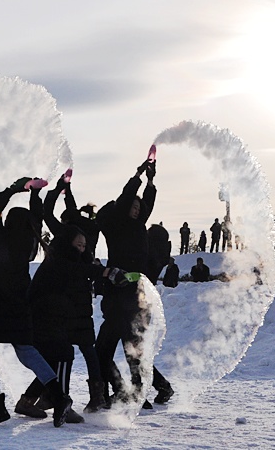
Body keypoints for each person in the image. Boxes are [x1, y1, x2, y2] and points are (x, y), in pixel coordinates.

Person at [0, 177, 73, 427]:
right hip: (17, 305)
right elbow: (36, 217)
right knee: (27, 352)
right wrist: (35, 195)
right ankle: (59, 398)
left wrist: (15, 188)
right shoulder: (29, 242)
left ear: (8, 221)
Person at [18, 226, 120, 422]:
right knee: (63, 355)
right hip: (41, 317)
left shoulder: (71, 259)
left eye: (84, 245)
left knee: (53, 361)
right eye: (78, 245)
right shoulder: (59, 261)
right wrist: (107, 271)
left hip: (52, 317)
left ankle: (29, 401)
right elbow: (76, 271)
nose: (82, 249)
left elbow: (81, 273)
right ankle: (60, 403)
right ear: (68, 244)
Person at [94, 159, 174, 408]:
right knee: (131, 348)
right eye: (135, 206)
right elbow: (126, 197)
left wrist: (150, 180)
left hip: (131, 297)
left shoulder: (138, 226)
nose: (139, 209)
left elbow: (146, 201)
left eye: (140, 207)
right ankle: (143, 391)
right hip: (122, 295)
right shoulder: (118, 227)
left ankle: (131, 392)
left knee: (114, 349)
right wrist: (138, 175)